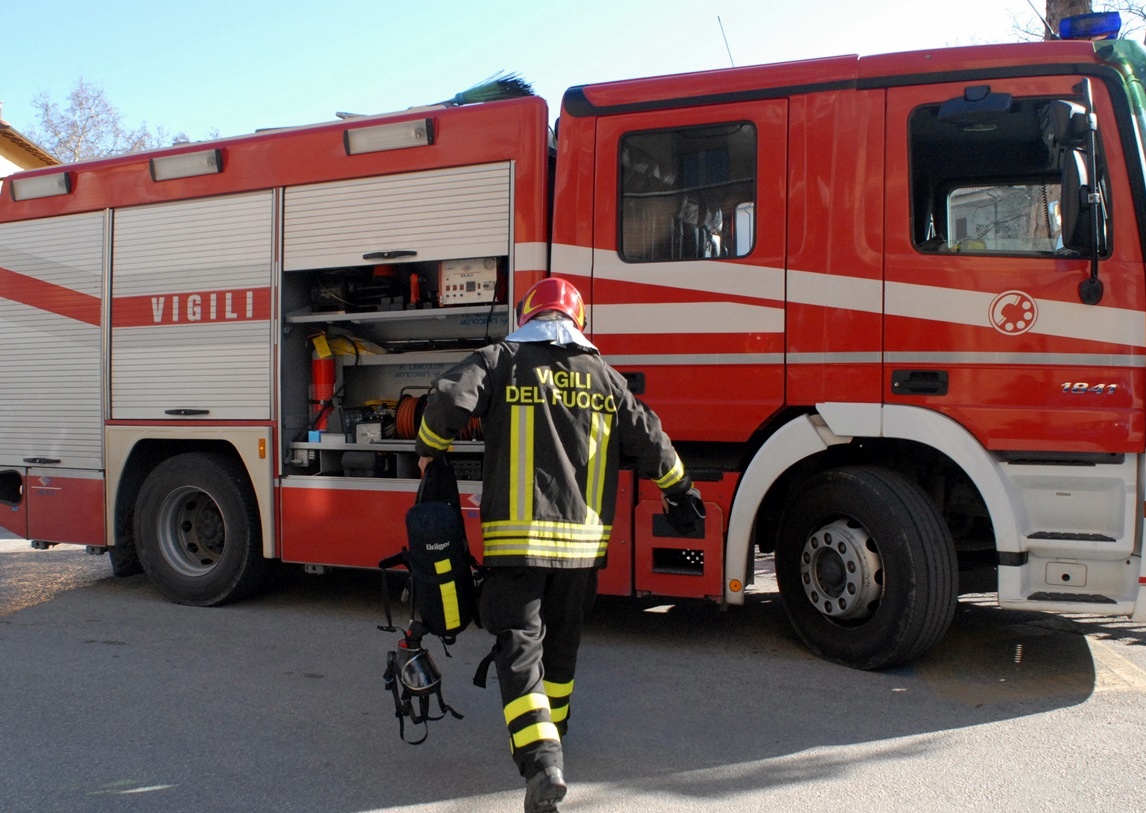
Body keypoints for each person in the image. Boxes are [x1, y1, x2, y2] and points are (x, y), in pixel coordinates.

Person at [415, 277, 703, 813]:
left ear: (527, 315)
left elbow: (447, 400)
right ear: (578, 322)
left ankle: (542, 760)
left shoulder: (501, 359)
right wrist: (680, 491)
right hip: (581, 552)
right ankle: (556, 734)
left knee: (519, 645)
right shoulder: (606, 378)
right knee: (562, 646)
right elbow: (652, 439)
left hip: (517, 542)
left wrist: (429, 450)